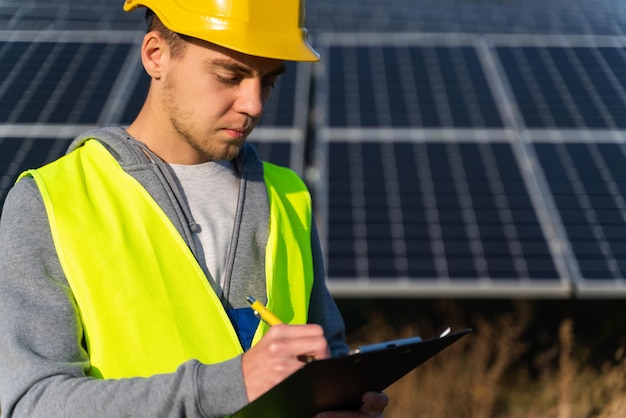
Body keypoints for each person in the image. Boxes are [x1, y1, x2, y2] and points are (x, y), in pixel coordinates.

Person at [0, 0, 388, 417]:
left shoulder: (289, 194)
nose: (254, 104)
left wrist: (337, 399)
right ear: (156, 55)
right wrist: (224, 387)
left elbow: (321, 353)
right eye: (230, 76)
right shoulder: (52, 201)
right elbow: (31, 403)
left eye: (268, 81)